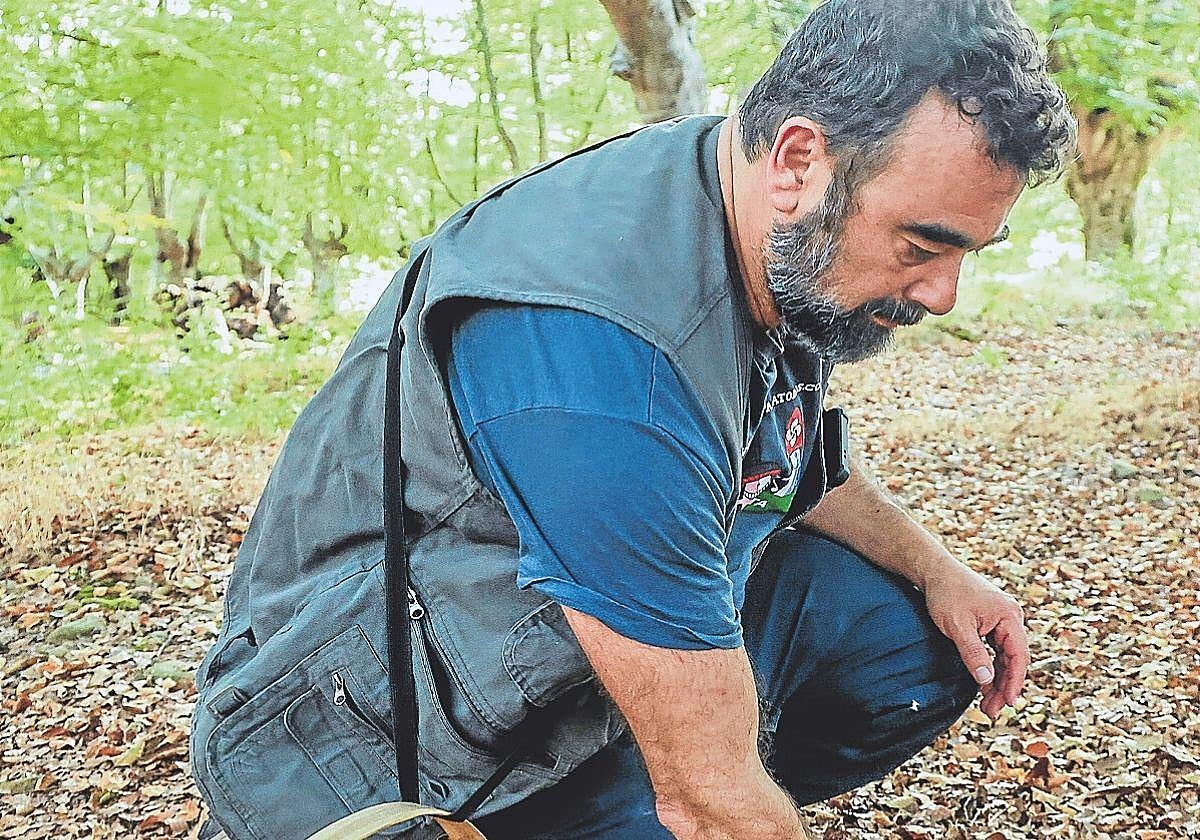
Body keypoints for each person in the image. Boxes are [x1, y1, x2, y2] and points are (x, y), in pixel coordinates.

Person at [190, 1, 1075, 837]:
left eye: (968, 251)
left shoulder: (757, 212)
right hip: (385, 744)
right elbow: (712, 802)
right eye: (921, 246)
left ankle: (678, 744)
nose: (944, 294)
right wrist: (715, 790)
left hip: (573, 665)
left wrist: (938, 570)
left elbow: (783, 454)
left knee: (917, 647)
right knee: (704, 796)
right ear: (800, 161)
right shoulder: (605, 362)